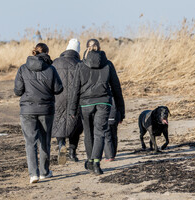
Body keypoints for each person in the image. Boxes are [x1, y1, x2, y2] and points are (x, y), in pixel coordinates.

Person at [69, 39, 125, 175]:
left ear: (87, 49)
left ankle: (91, 160)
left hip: (86, 104)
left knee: (88, 133)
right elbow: (117, 88)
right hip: (104, 102)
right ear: (99, 48)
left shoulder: (81, 65)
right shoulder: (108, 64)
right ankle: (95, 163)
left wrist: (72, 108)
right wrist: (120, 109)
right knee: (100, 132)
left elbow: (75, 88)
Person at [14, 43, 63, 184]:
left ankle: (33, 174)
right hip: (46, 109)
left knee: (30, 142)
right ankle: (44, 172)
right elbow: (58, 89)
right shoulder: (51, 69)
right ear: (47, 53)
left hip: (27, 110)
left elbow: (17, 91)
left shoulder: (23, 68)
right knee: (45, 141)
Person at [52, 38, 83, 164]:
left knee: (59, 120)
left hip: (58, 96)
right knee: (74, 123)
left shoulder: (56, 62)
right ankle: (72, 152)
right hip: (75, 98)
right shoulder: (80, 64)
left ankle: (61, 145)